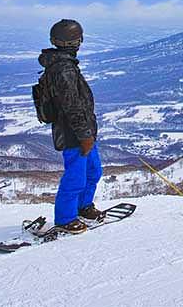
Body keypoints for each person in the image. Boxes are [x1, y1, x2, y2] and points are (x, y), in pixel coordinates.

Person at [38, 19, 104, 233]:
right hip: (74, 133)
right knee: (76, 177)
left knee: (93, 171)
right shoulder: (63, 69)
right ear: (77, 41)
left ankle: (83, 206)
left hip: (83, 130)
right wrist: (84, 135)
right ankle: (65, 218)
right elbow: (72, 106)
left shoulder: (65, 65)